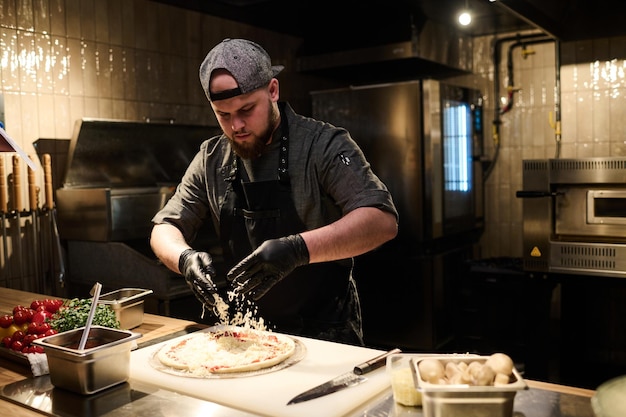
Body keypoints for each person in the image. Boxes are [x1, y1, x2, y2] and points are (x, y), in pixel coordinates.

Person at [150, 38, 398, 346]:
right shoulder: (211, 158)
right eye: (223, 115)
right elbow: (165, 227)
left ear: (273, 91)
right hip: (246, 334)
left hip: (325, 333)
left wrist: (297, 249)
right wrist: (184, 258)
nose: (236, 125)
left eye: (246, 109)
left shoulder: (322, 144)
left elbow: (381, 221)